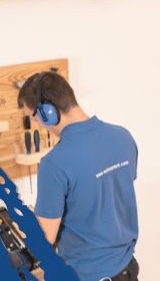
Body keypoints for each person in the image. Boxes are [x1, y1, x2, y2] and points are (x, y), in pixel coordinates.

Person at [18, 71, 140, 281]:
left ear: (48, 112)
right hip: (128, 269)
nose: (37, 123)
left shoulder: (53, 163)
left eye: (34, 116)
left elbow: (44, 242)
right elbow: (108, 196)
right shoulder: (123, 136)